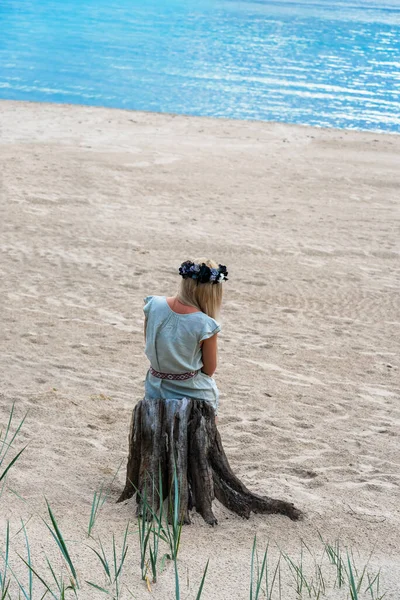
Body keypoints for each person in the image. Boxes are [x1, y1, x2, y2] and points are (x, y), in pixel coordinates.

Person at [143, 258, 228, 414]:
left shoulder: (153, 305)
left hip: (154, 391)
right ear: (212, 293)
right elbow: (209, 369)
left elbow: (150, 342)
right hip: (194, 397)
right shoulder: (205, 325)